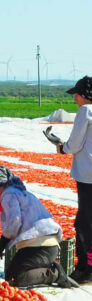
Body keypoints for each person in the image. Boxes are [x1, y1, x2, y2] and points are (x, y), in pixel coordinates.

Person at [0, 166, 77, 288]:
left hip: (41, 246)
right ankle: (46, 269)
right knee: (10, 276)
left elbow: (14, 223)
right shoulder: (17, 192)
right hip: (42, 245)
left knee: (16, 278)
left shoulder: (8, 194)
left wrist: (0, 245)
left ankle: (55, 273)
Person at [56, 76, 92, 283]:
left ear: (85, 95)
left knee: (85, 223)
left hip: (88, 175)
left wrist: (63, 148)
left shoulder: (85, 111)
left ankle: (86, 268)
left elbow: (75, 144)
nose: (74, 98)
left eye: (76, 94)